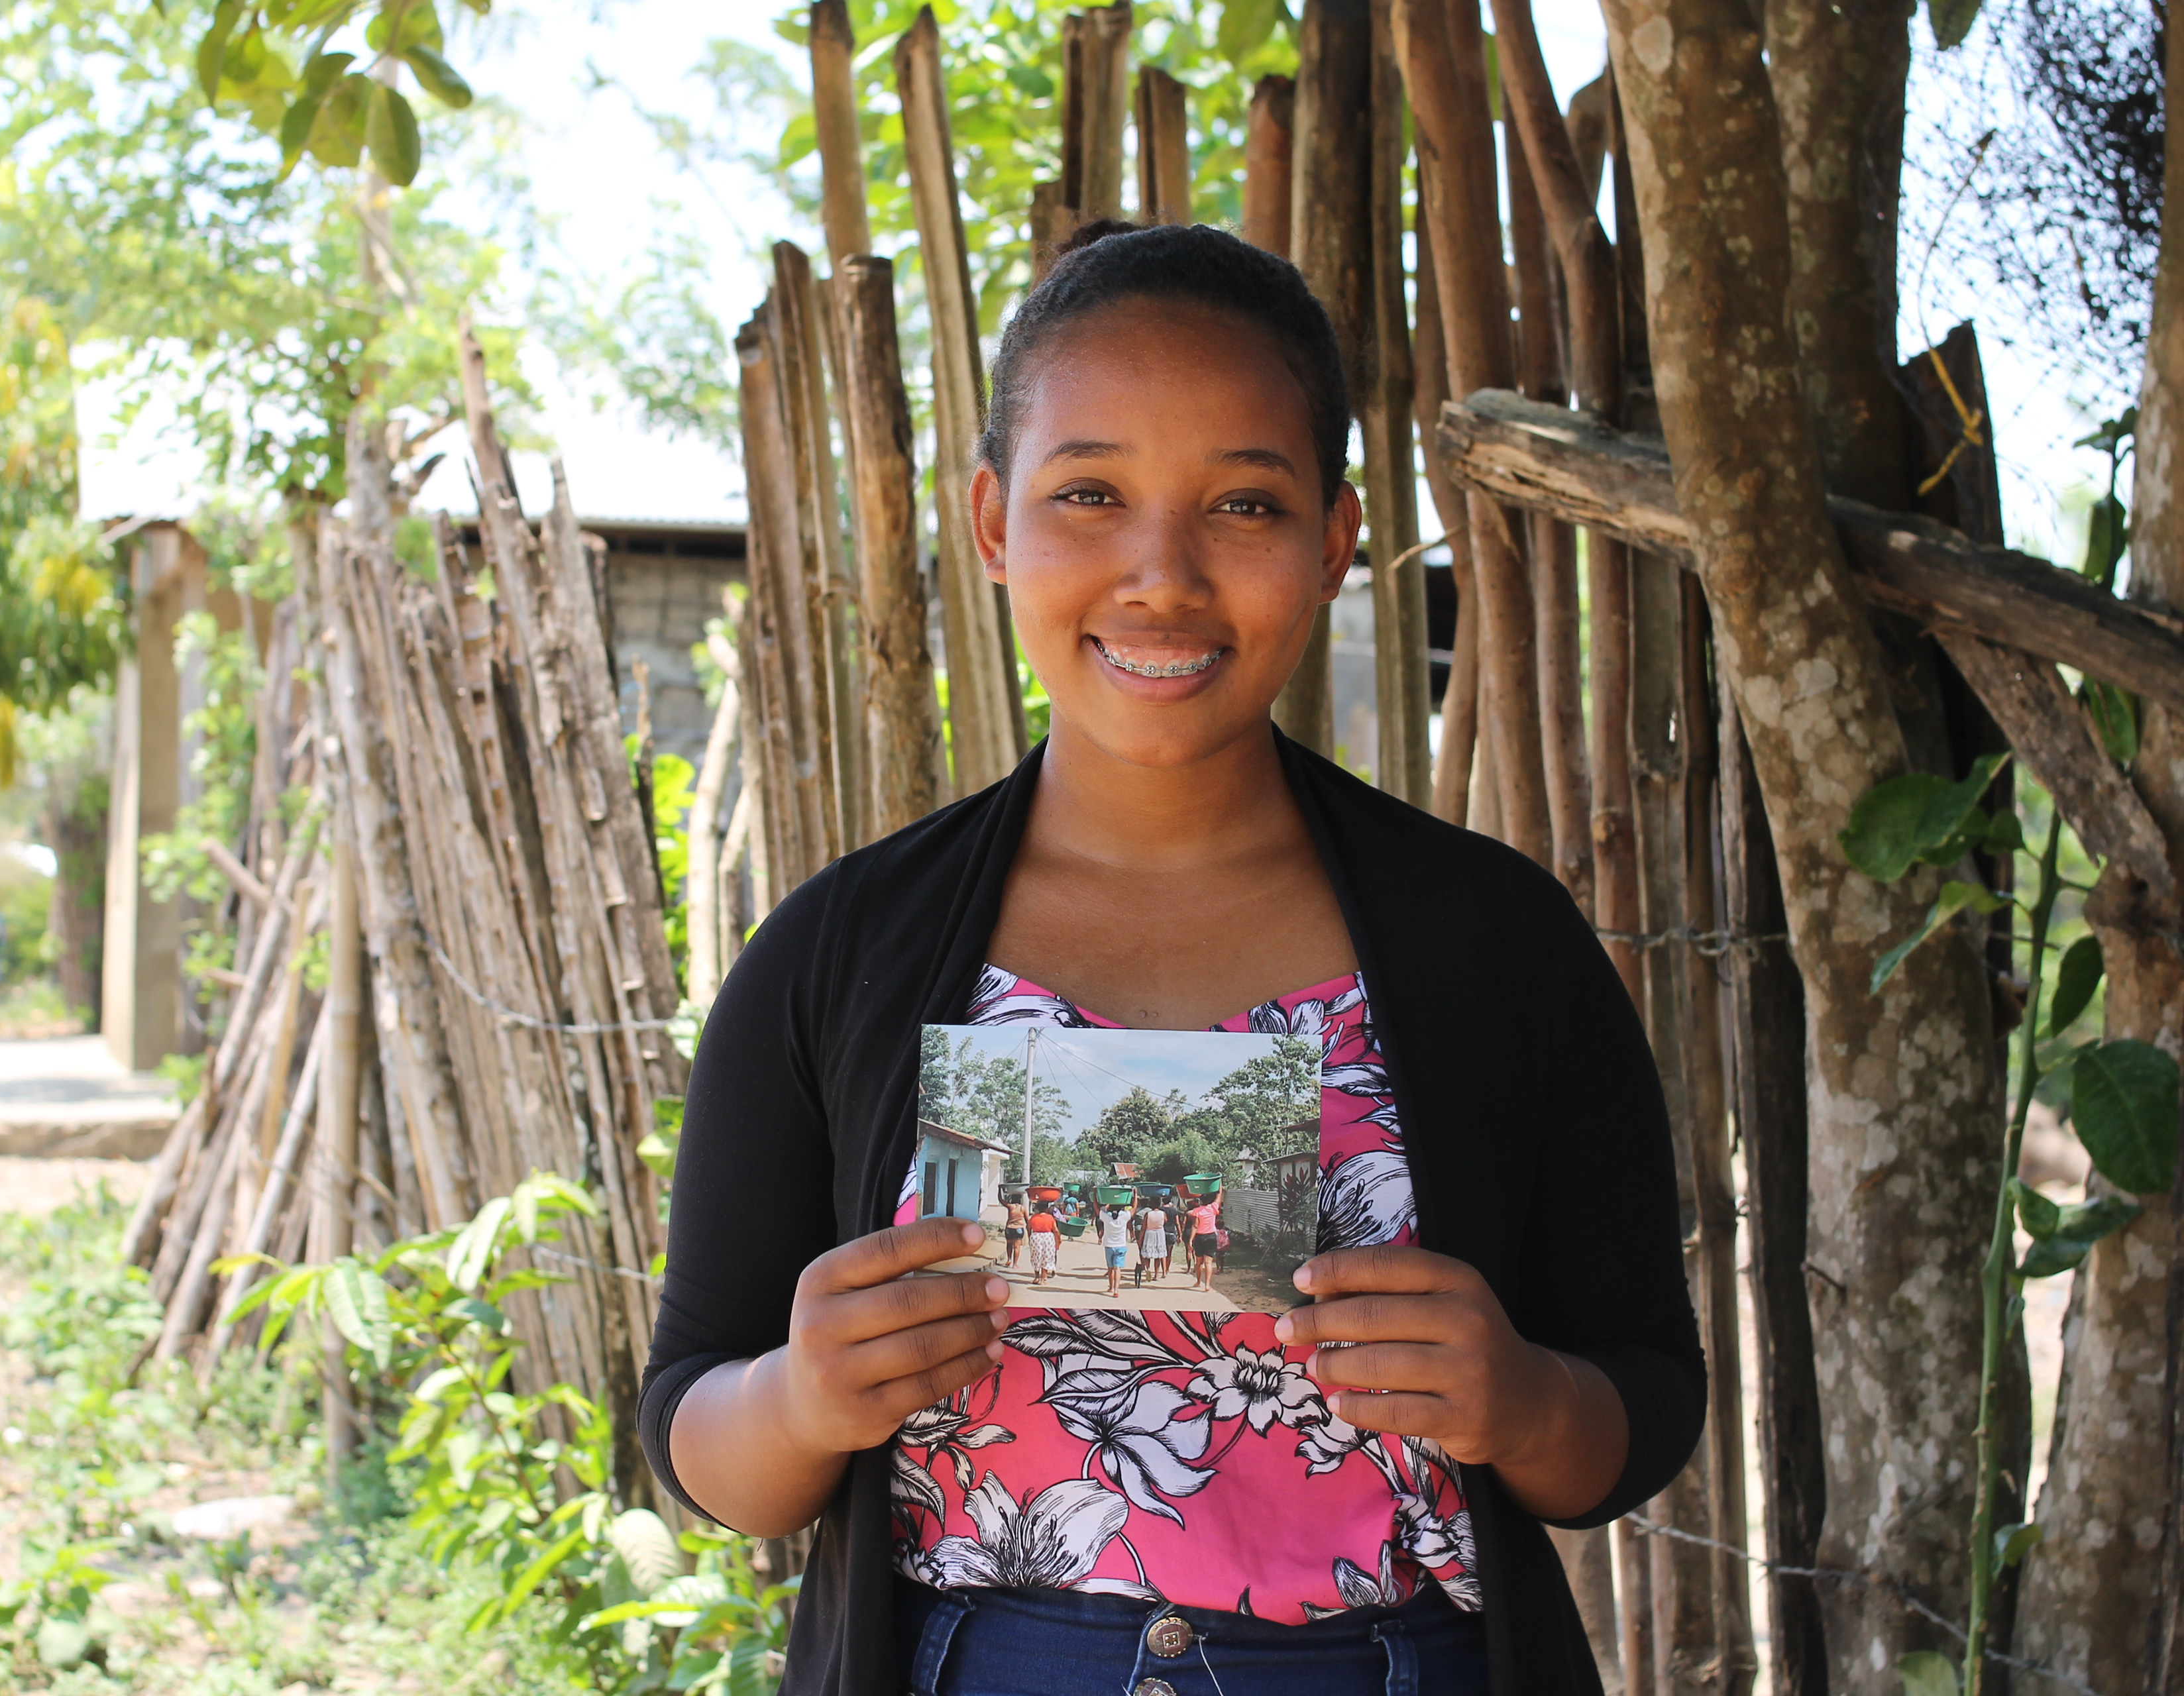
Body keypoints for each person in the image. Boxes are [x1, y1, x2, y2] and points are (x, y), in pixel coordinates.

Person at [640, 221, 1701, 1696]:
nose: (1162, 573)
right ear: (996, 521)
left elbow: (1640, 1404)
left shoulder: (1499, 943)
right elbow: (699, 1431)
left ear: (1335, 542)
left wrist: (1518, 1395)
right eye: (1090, 492)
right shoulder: (840, 951)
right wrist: (802, 1394)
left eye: (1244, 505)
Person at [1186, 1194, 1225, 1293]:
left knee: (1199, 1262)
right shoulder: (1213, 1208)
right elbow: (1219, 1196)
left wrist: (1191, 1240)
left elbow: (1195, 1226)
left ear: (1201, 1201)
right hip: (1211, 1237)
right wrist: (1220, 1185)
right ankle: (1207, 1285)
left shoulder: (1197, 1211)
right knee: (1209, 1262)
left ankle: (1199, 1281)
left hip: (1200, 1237)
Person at [1096, 1200, 1132, 1300]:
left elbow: (1097, 1208)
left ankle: (1111, 1288)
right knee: (1118, 1269)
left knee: (1110, 1268)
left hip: (1109, 1245)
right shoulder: (1124, 1217)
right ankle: (1116, 1290)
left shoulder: (1106, 1217)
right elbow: (1134, 1207)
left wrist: (1095, 1195)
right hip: (1121, 1246)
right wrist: (1135, 1194)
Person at [1025, 1204, 1060, 1288]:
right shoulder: (1050, 1218)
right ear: (1046, 1209)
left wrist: (1030, 1237)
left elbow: (1029, 1228)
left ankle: (1037, 1277)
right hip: (1048, 1237)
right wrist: (1058, 1239)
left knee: (1036, 1256)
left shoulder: (1033, 1218)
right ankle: (1043, 1279)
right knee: (1046, 1257)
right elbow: (1055, 1230)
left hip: (1036, 1237)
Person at [1138, 1198, 1170, 1287]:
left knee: (1147, 1254)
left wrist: (1141, 1239)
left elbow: (1143, 1227)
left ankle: (1148, 1272)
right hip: (1160, 1233)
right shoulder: (1163, 1213)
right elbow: (1165, 1221)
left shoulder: (1148, 1214)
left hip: (1149, 1233)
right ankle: (1156, 1275)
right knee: (1158, 1256)